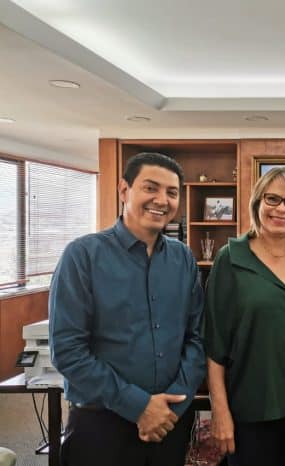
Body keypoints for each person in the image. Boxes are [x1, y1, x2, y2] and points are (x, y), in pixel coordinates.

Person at [49, 152, 205, 466]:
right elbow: (67, 350)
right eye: (151, 188)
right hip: (101, 425)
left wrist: (171, 405)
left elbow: (198, 339)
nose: (161, 200)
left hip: (168, 424)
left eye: (172, 193)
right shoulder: (82, 256)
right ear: (124, 190)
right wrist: (139, 406)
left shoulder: (183, 259)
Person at [204, 167, 285, 466]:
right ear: (257, 203)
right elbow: (214, 345)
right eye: (272, 199)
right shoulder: (231, 259)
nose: (281, 209)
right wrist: (219, 412)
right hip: (250, 406)